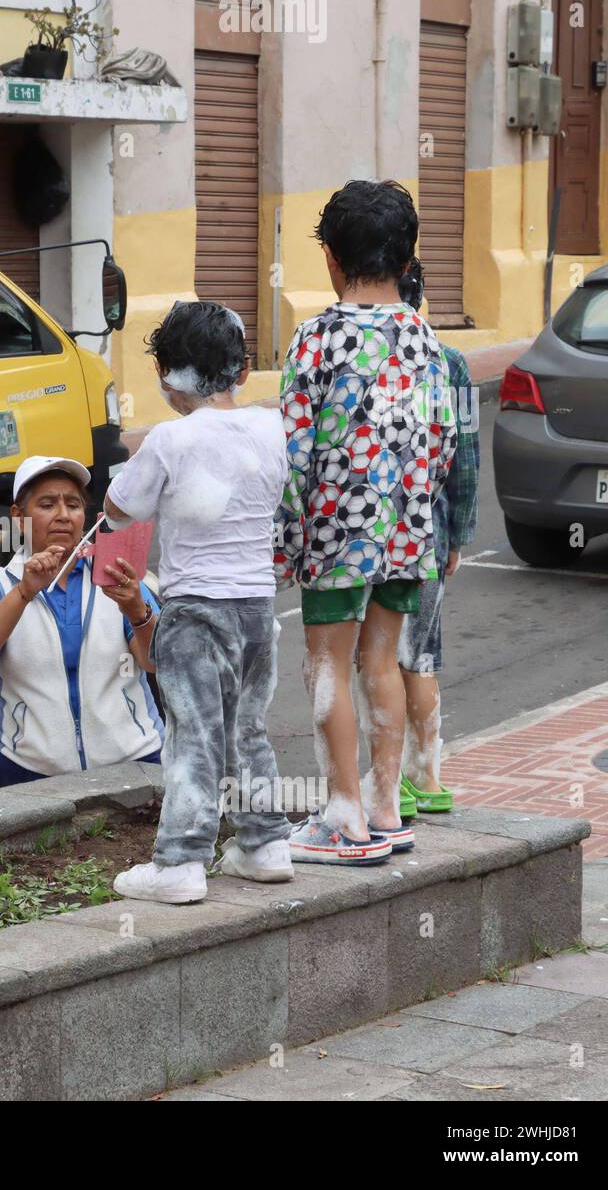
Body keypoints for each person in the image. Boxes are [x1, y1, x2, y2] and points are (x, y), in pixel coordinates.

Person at [275, 180, 457, 866]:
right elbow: (442, 442)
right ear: (408, 258)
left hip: (335, 532)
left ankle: (343, 817)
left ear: (329, 257)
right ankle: (385, 804)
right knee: (382, 658)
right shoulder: (427, 341)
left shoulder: (316, 340)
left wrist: (284, 541)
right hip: (406, 532)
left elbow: (293, 453)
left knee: (326, 663)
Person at [105, 301, 294, 905]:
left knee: (194, 733)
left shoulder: (169, 438)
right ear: (240, 371)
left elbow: (118, 508)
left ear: (170, 377)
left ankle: (181, 861)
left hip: (194, 610)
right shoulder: (271, 428)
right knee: (248, 728)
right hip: (257, 608)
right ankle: (265, 844)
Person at [0, 455, 164, 785]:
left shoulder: (117, 575)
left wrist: (138, 611)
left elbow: (154, 664)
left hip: (134, 763)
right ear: (19, 518)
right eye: (47, 504)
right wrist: (24, 592)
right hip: (30, 773)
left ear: (86, 517)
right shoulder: (0, 584)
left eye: (74, 505)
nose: (63, 515)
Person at [393, 258, 479, 816]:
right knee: (421, 656)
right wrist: (457, 534)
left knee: (378, 657)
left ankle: (386, 780)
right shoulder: (455, 365)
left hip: (374, 538)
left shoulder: (364, 355)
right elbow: (465, 454)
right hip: (432, 532)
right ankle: (427, 779)